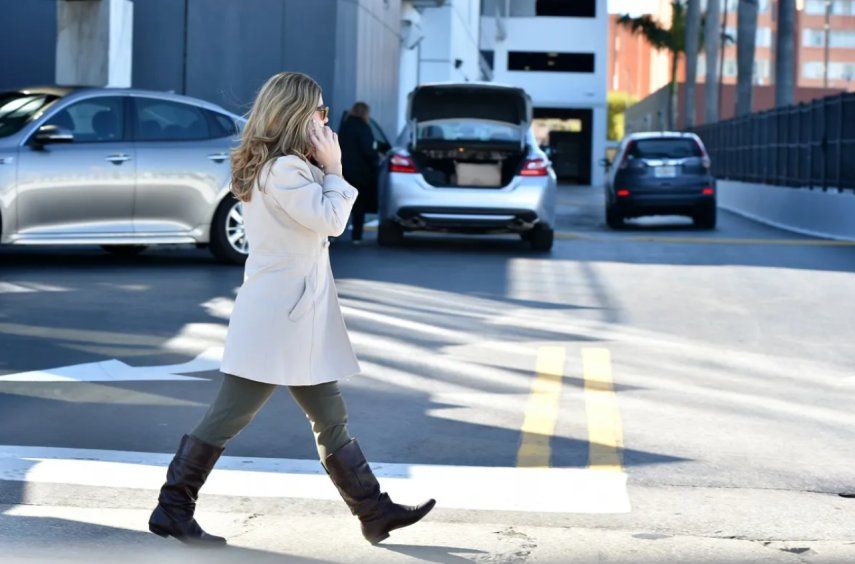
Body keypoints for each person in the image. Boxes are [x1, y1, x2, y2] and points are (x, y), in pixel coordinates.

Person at [148, 72, 435, 547]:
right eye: (319, 111)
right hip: (280, 318)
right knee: (229, 416)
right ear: (295, 115)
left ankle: (373, 511)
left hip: (294, 313)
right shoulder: (283, 170)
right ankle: (172, 506)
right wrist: (337, 166)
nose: (326, 118)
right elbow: (332, 220)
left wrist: (324, 166)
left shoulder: (288, 166)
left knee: (330, 415)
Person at [337, 102, 379, 243]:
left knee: (341, 201)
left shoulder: (345, 126)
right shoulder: (364, 127)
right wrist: (376, 158)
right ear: (365, 113)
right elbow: (368, 150)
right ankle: (356, 236)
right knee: (359, 204)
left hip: (343, 170)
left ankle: (334, 233)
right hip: (361, 172)